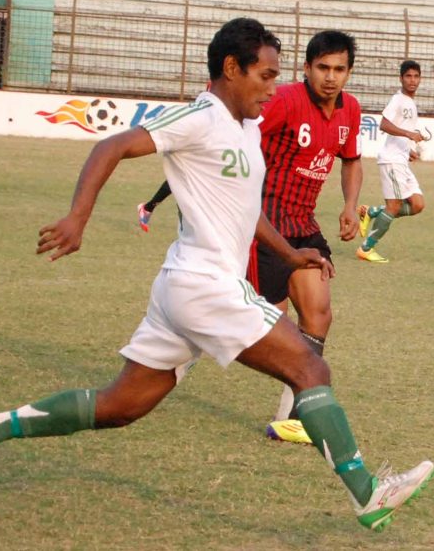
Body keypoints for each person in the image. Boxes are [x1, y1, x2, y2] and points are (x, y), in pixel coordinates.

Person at [0, 18, 433, 531]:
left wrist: (289, 254)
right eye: (265, 76)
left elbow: (246, 209)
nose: (273, 87)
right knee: (311, 370)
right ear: (231, 68)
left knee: (120, 406)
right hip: (203, 285)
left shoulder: (244, 129)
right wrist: (78, 217)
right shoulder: (199, 117)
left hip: (189, 286)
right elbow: (108, 147)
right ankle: (368, 494)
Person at [137, 31, 364, 445]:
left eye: (340, 69)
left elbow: (352, 161)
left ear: (349, 73)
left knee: (319, 315)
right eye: (323, 68)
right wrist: (168, 198)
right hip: (264, 225)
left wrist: (350, 205)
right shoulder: (283, 102)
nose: (331, 78)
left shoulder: (350, 110)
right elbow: (228, 144)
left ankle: (293, 418)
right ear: (307, 69)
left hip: (304, 224)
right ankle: (179, 353)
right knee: (260, 324)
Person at [356, 60, 427, 263]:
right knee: (394, 206)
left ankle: (372, 212)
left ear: (420, 79)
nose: (412, 80)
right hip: (391, 161)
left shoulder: (410, 103)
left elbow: (400, 134)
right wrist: (408, 134)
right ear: (401, 78)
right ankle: (366, 248)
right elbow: (384, 124)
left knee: (417, 205)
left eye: (416, 76)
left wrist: (409, 152)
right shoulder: (398, 100)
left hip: (400, 161)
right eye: (408, 76)